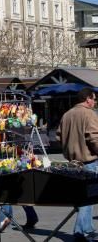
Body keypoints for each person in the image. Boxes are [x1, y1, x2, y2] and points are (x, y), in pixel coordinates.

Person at [56, 87, 98, 240]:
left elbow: (59, 137)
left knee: (85, 198)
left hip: (73, 163)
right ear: (88, 99)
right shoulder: (89, 114)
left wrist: (69, 150)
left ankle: (87, 228)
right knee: (87, 198)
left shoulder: (67, 114)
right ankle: (80, 231)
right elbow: (94, 138)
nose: (95, 102)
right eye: (94, 99)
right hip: (89, 161)